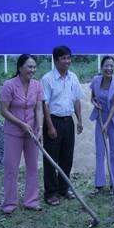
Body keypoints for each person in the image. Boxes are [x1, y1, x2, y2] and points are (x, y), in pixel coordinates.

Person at [0, 54, 44, 214]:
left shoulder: (37, 86)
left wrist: (39, 128)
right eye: (29, 67)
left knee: (32, 167)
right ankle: (9, 203)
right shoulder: (9, 85)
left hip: (32, 132)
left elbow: (38, 108)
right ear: (20, 68)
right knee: (11, 167)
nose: (32, 70)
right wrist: (21, 124)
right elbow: (3, 110)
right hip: (13, 132)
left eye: (34, 67)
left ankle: (31, 201)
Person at [41, 46, 84, 206]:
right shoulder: (47, 79)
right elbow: (44, 104)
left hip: (68, 122)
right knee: (51, 158)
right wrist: (50, 127)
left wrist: (79, 120)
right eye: (63, 58)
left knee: (67, 157)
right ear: (56, 60)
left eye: (68, 58)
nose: (67, 61)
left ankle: (63, 188)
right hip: (53, 121)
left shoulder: (73, 77)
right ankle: (50, 193)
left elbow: (77, 99)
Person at [89, 56, 114, 195]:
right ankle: (99, 184)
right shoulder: (96, 80)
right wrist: (94, 103)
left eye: (111, 66)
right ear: (102, 67)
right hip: (100, 118)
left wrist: (107, 123)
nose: (109, 68)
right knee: (100, 152)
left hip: (113, 120)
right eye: (106, 66)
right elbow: (92, 97)